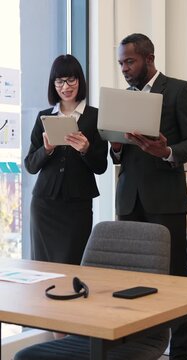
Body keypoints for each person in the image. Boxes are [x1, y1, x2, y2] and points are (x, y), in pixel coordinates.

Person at [110, 33, 187, 360]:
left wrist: (168, 152)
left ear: (148, 58)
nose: (123, 68)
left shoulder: (179, 90)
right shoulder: (123, 99)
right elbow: (120, 156)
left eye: (129, 61)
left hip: (165, 201)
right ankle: (136, 350)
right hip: (128, 202)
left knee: (175, 282)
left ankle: (178, 355)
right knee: (129, 281)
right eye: (121, 62)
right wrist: (116, 148)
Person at [24, 54, 108, 265]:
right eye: (59, 81)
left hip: (77, 205)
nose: (66, 86)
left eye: (71, 79)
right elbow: (30, 165)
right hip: (44, 204)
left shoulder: (96, 117)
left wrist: (86, 149)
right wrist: (47, 149)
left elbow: (101, 166)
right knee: (42, 267)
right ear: (53, 84)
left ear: (80, 80)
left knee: (74, 263)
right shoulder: (45, 117)